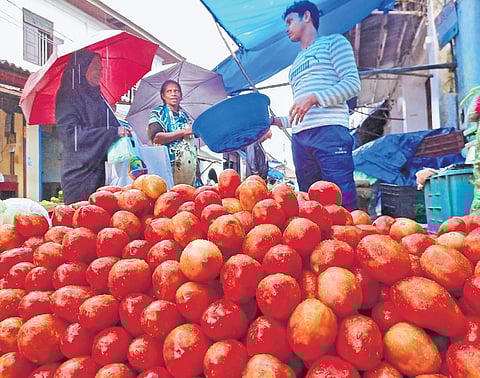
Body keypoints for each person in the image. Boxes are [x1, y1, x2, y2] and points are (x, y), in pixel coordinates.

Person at [270, 1, 361, 210]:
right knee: (310, 206)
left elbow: (352, 84)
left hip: (330, 132)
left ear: (307, 17)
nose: (287, 28)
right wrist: (277, 121)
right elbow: (300, 110)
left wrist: (314, 97)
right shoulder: (294, 67)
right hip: (300, 139)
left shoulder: (334, 43)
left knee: (341, 201)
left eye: (290, 21)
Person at [55, 49, 130, 205]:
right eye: (95, 67)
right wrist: (112, 133)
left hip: (103, 173)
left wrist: (119, 128)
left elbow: (110, 126)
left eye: (101, 68)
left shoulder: (98, 98)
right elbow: (71, 137)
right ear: (82, 69)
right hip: (80, 176)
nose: (100, 72)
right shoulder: (67, 98)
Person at [147, 80, 197, 186]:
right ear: (163, 96)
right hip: (166, 166)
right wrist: (183, 132)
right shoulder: (158, 113)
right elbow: (157, 138)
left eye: (176, 91)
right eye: (169, 91)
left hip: (188, 169)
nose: (173, 94)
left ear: (181, 95)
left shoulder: (185, 116)